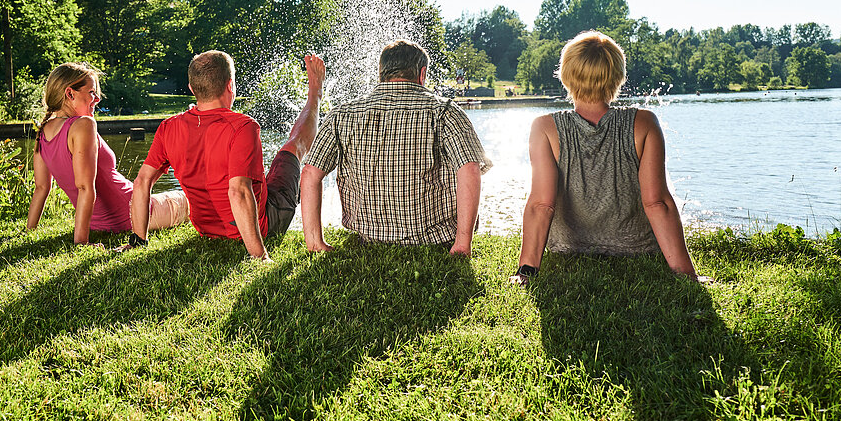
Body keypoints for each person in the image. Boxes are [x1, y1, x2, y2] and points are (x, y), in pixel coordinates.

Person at [510, 31, 704, 284]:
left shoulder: (544, 128)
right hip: (637, 247)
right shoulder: (643, 123)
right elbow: (657, 203)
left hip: (569, 247)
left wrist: (526, 272)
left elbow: (541, 205)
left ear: (566, 76)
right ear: (617, 77)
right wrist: (687, 274)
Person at [301, 39, 492, 255]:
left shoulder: (342, 114)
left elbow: (310, 173)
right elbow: (470, 170)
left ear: (382, 73)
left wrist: (315, 242)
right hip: (435, 241)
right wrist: (462, 244)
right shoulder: (445, 111)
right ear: (422, 74)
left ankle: (316, 242)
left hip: (369, 239)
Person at [129, 51, 325, 259]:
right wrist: (259, 256)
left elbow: (142, 182)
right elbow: (238, 192)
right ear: (230, 85)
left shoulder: (168, 127)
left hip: (207, 230)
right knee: (294, 147)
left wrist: (138, 241)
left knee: (262, 176)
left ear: (192, 89)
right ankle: (315, 93)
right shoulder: (243, 127)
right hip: (263, 225)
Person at [26, 62, 188, 246]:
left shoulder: (43, 131)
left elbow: (41, 188)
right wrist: (81, 242)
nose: (97, 99)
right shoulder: (83, 124)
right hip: (132, 212)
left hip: (99, 223)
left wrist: (29, 231)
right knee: (191, 199)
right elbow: (85, 187)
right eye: (91, 93)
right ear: (70, 93)